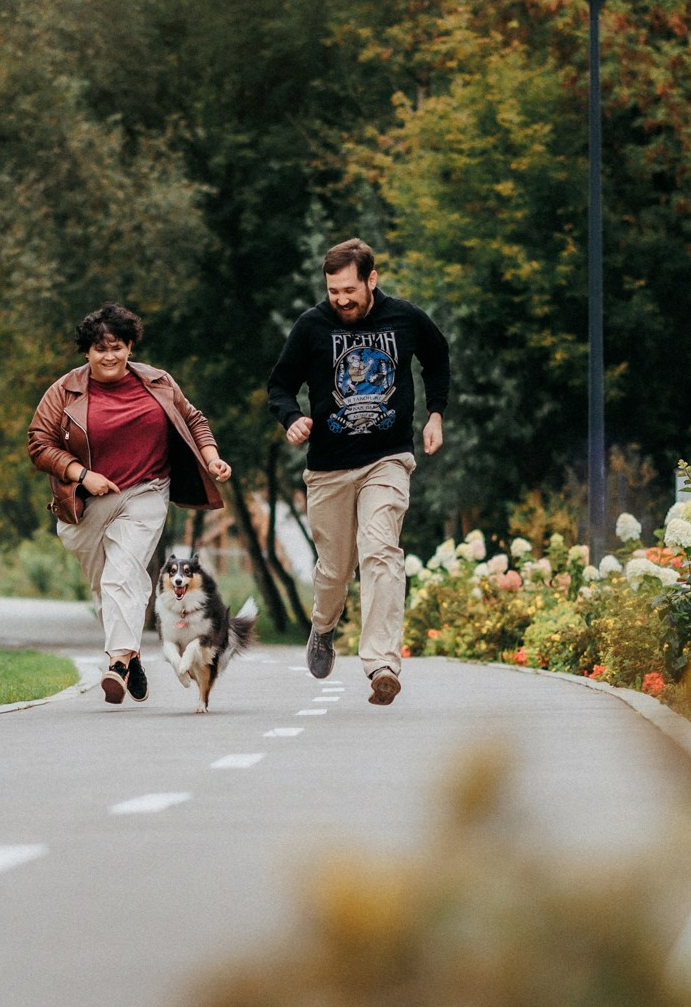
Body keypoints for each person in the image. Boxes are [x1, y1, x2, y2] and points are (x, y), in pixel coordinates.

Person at [267, 239, 450, 704]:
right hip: (328, 468)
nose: (342, 300)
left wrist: (435, 414)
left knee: (381, 550)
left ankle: (382, 663)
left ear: (372, 279)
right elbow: (281, 385)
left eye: (349, 289)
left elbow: (437, 356)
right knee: (334, 569)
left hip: (387, 458)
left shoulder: (405, 318)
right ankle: (323, 627)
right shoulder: (311, 326)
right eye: (333, 292)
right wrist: (292, 418)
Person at [28, 303, 231, 704]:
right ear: (86, 352)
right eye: (100, 348)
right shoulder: (64, 391)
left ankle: (118, 662)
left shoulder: (157, 382)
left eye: (117, 347)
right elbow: (38, 443)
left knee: (122, 575)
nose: (109, 356)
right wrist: (83, 475)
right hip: (86, 503)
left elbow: (194, 420)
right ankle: (132, 653)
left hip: (146, 491)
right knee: (109, 589)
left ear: (130, 347)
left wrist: (211, 457)